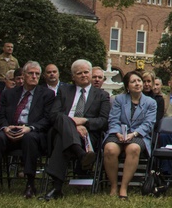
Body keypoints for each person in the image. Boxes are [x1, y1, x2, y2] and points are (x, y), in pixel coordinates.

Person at [41, 59, 112, 200]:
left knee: (62, 140)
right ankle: (81, 153)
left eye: (86, 72)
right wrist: (73, 124)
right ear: (73, 76)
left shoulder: (102, 95)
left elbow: (104, 121)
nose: (84, 75)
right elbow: (53, 115)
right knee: (62, 119)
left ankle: (57, 188)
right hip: (63, 130)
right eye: (79, 73)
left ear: (91, 74)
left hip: (87, 135)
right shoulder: (64, 91)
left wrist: (84, 121)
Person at [0, 61, 54, 198]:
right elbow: (0, 115)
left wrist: (30, 128)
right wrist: (5, 127)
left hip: (33, 133)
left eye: (37, 74)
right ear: (23, 75)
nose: (34, 76)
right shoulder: (9, 94)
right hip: (10, 130)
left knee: (30, 139)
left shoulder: (47, 94)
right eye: (31, 73)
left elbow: (48, 119)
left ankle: (30, 184)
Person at [103, 70, 157, 199]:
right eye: (133, 82)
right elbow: (114, 119)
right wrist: (118, 133)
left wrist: (133, 134)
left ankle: (124, 187)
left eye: (139, 81)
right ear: (127, 86)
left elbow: (148, 124)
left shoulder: (150, 102)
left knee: (133, 148)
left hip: (139, 135)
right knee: (110, 149)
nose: (137, 84)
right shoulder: (119, 100)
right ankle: (114, 186)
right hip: (118, 133)